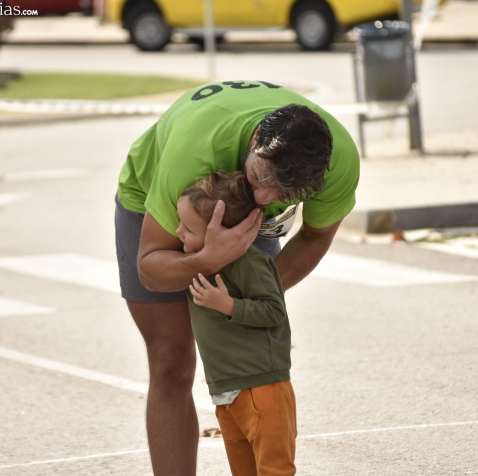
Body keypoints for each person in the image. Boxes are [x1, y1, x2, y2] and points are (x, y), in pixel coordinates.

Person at [114, 80, 359, 475]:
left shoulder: (339, 163)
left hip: (231, 213)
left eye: (284, 191)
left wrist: (251, 292)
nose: (263, 198)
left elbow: (314, 238)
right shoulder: (194, 152)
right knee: (170, 362)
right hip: (154, 198)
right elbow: (151, 267)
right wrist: (207, 259)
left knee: (251, 370)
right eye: (260, 177)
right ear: (257, 138)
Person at [178, 171, 296, 475]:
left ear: (221, 231)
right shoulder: (197, 264)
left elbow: (274, 312)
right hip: (226, 391)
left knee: (274, 470)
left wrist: (228, 305)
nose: (178, 232)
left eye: (188, 228)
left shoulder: (251, 263)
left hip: (262, 387)